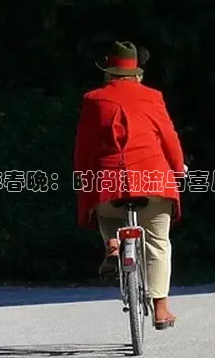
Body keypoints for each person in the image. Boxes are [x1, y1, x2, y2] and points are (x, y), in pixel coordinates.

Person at [73, 40, 187, 330]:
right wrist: (178, 169)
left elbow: (83, 147)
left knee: (106, 212)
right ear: (137, 73)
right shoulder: (152, 97)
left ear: (108, 72)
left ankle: (113, 248)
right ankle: (161, 309)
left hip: (108, 181)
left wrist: (83, 176)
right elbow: (168, 137)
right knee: (158, 242)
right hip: (153, 180)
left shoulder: (93, 99)